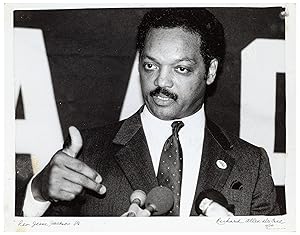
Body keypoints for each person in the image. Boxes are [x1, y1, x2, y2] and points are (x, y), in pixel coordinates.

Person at [21, 8, 279, 217]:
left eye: (181, 69)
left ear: (210, 71)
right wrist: (40, 192)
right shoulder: (88, 152)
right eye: (150, 65)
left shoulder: (250, 164)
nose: (160, 82)